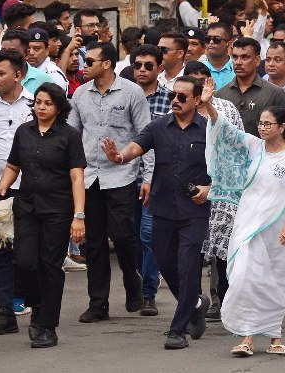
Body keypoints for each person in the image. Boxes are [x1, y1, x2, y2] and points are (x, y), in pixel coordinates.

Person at [199, 77, 285, 356]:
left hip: (280, 231)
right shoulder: (253, 147)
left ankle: (274, 337)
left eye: (268, 124)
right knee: (246, 278)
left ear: (282, 128)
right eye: (260, 123)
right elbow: (226, 131)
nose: (262, 128)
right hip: (249, 227)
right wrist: (209, 104)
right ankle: (246, 338)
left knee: (275, 283)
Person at [100, 76, 212, 350]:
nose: (175, 100)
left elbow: (225, 166)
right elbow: (136, 146)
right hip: (162, 207)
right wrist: (120, 157)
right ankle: (196, 303)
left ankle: (178, 329)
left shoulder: (209, 130)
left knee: (187, 267)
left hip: (194, 209)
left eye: (182, 97)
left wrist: (209, 188)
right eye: (173, 95)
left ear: (197, 100)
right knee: (164, 263)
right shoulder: (159, 126)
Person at [0, 83, 86, 347]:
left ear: (59, 107)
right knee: (24, 262)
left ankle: (46, 325)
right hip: (26, 206)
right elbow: (14, 165)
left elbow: (76, 175)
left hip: (58, 210)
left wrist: (78, 215)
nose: (41, 108)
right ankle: (37, 304)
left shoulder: (69, 136)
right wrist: (3, 184)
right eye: (38, 102)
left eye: (47, 103)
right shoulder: (24, 132)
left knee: (50, 266)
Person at [69, 42, 150, 324]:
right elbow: (71, 136)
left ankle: (132, 281)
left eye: (89, 61)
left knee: (124, 236)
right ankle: (98, 303)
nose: (84, 66)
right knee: (94, 243)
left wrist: (148, 178)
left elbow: (145, 138)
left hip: (121, 176)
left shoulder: (131, 92)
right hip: (90, 177)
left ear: (107, 64)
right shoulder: (80, 94)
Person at [182, 61, 244, 320]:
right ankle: (193, 303)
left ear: (211, 83)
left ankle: (223, 300)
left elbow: (238, 145)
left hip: (222, 188)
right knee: (192, 250)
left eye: (203, 80)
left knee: (223, 249)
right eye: (192, 81)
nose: (199, 86)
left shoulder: (226, 108)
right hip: (188, 188)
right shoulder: (180, 108)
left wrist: (220, 185)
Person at [130, 45, 170, 317]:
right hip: (121, 176)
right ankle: (134, 284)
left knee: (148, 235)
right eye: (138, 65)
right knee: (127, 237)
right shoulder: (123, 95)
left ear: (160, 68)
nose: (142, 70)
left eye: (148, 65)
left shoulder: (170, 100)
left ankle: (148, 292)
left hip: (154, 179)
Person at [0, 50, 34, 336]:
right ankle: (5, 311)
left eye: (1, 73)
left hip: (30, 190)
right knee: (1, 253)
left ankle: (35, 304)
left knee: (27, 255)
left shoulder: (37, 104)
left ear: (18, 75)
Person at [215, 37, 285, 136]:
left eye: (245, 57)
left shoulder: (274, 93)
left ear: (257, 60)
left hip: (264, 150)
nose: (238, 62)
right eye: (235, 57)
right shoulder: (221, 94)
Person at [0, 30, 55, 95]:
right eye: (3, 52)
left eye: (12, 52)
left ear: (27, 54)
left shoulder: (43, 80)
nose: (6, 56)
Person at [24, 27, 68, 92]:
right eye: (28, 48)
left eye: (37, 49)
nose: (31, 53)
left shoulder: (53, 74)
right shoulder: (22, 70)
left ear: (47, 50)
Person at [203, 22, 236, 90]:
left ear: (229, 44)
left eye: (216, 39)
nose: (211, 42)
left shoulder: (238, 68)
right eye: (208, 39)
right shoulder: (198, 69)